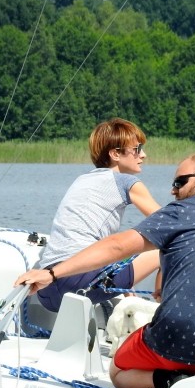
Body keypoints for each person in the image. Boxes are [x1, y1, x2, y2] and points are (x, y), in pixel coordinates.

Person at [15, 153, 195, 388]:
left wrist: (52, 272)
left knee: (117, 369)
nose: (173, 191)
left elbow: (116, 246)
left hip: (175, 343)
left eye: (180, 182)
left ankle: (167, 380)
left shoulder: (180, 212)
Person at [33, 118, 161, 313]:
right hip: (78, 283)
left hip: (47, 292)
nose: (143, 155)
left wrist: (125, 283)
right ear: (115, 153)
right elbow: (169, 223)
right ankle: (163, 303)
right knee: (166, 244)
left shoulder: (83, 180)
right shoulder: (127, 182)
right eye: (137, 149)